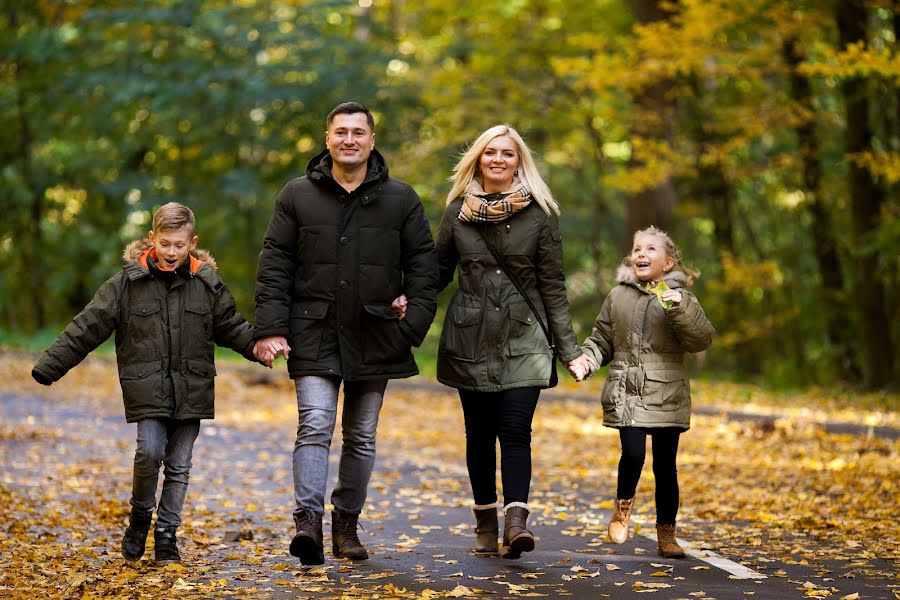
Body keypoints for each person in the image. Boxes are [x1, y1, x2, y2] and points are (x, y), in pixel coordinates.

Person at [253, 101, 438, 565]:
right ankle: (308, 525)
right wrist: (272, 328)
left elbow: (424, 268)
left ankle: (347, 525)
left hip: (376, 333)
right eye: (341, 132)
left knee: (361, 435)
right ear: (328, 139)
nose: (349, 139)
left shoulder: (401, 197)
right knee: (315, 425)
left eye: (358, 132)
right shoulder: (297, 195)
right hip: (313, 329)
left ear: (372, 141)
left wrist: (410, 326)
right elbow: (275, 264)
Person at [31, 202, 259, 565]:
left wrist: (260, 347)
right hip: (147, 388)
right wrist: (50, 366)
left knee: (180, 466)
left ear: (192, 242)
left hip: (192, 388)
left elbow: (231, 326)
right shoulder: (126, 284)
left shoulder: (207, 284)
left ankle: (166, 536)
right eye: (165, 243)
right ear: (152, 238)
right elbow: (88, 325)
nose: (171, 252)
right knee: (149, 452)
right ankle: (140, 518)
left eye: (179, 245)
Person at [424, 124, 593, 559]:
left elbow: (552, 286)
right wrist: (404, 309)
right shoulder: (457, 211)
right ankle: (486, 522)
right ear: (478, 159)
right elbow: (436, 274)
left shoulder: (539, 214)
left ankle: (516, 522)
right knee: (478, 435)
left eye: (508, 154)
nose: (498, 160)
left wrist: (570, 350)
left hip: (525, 338)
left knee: (515, 430)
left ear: (520, 162)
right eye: (490, 153)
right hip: (470, 337)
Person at [579, 225, 714, 558]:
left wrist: (678, 306)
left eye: (651, 249)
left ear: (668, 263)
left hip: (667, 390)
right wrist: (587, 361)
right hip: (628, 389)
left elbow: (701, 339)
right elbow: (601, 340)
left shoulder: (681, 297)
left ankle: (666, 534)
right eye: (637, 248)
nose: (641, 253)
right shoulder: (618, 296)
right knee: (634, 454)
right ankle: (623, 507)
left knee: (665, 466)